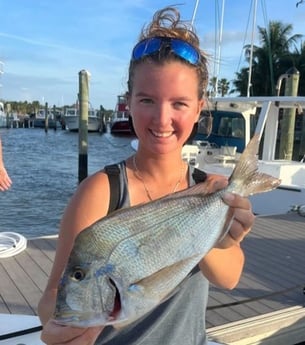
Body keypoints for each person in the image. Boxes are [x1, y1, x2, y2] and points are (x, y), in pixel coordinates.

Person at [38, 6, 255, 345]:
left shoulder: (208, 191)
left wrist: (218, 233)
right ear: (129, 102)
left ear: (199, 108)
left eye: (179, 104)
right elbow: (54, 296)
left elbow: (229, 278)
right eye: (147, 100)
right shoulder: (102, 190)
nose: (162, 118)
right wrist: (61, 325)